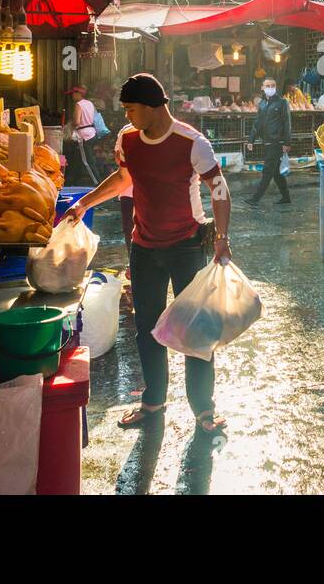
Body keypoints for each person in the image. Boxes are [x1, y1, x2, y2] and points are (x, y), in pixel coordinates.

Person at [62, 74, 230, 435]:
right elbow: (124, 179)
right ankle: (153, 401)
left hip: (187, 246)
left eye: (131, 108)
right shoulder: (128, 138)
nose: (127, 115)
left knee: (195, 331)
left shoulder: (192, 142)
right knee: (147, 329)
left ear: (153, 107)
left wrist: (222, 237)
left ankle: (204, 409)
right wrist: (83, 203)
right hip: (144, 247)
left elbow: (219, 187)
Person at [244, 77, 291, 207]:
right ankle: (286, 197)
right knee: (276, 172)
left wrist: (287, 142)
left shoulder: (282, 103)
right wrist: (251, 140)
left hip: (277, 142)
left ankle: (255, 198)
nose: (270, 88)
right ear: (262, 88)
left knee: (267, 171)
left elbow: (287, 123)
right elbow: (257, 124)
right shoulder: (263, 104)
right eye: (268, 85)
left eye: (273, 85)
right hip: (267, 142)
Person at [64, 85, 99, 186]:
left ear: (79, 94)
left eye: (73, 94)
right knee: (77, 159)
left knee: (87, 161)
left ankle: (98, 183)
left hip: (84, 136)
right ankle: (70, 182)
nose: (72, 96)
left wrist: (70, 123)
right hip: (92, 133)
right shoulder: (90, 103)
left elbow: (77, 122)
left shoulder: (78, 104)